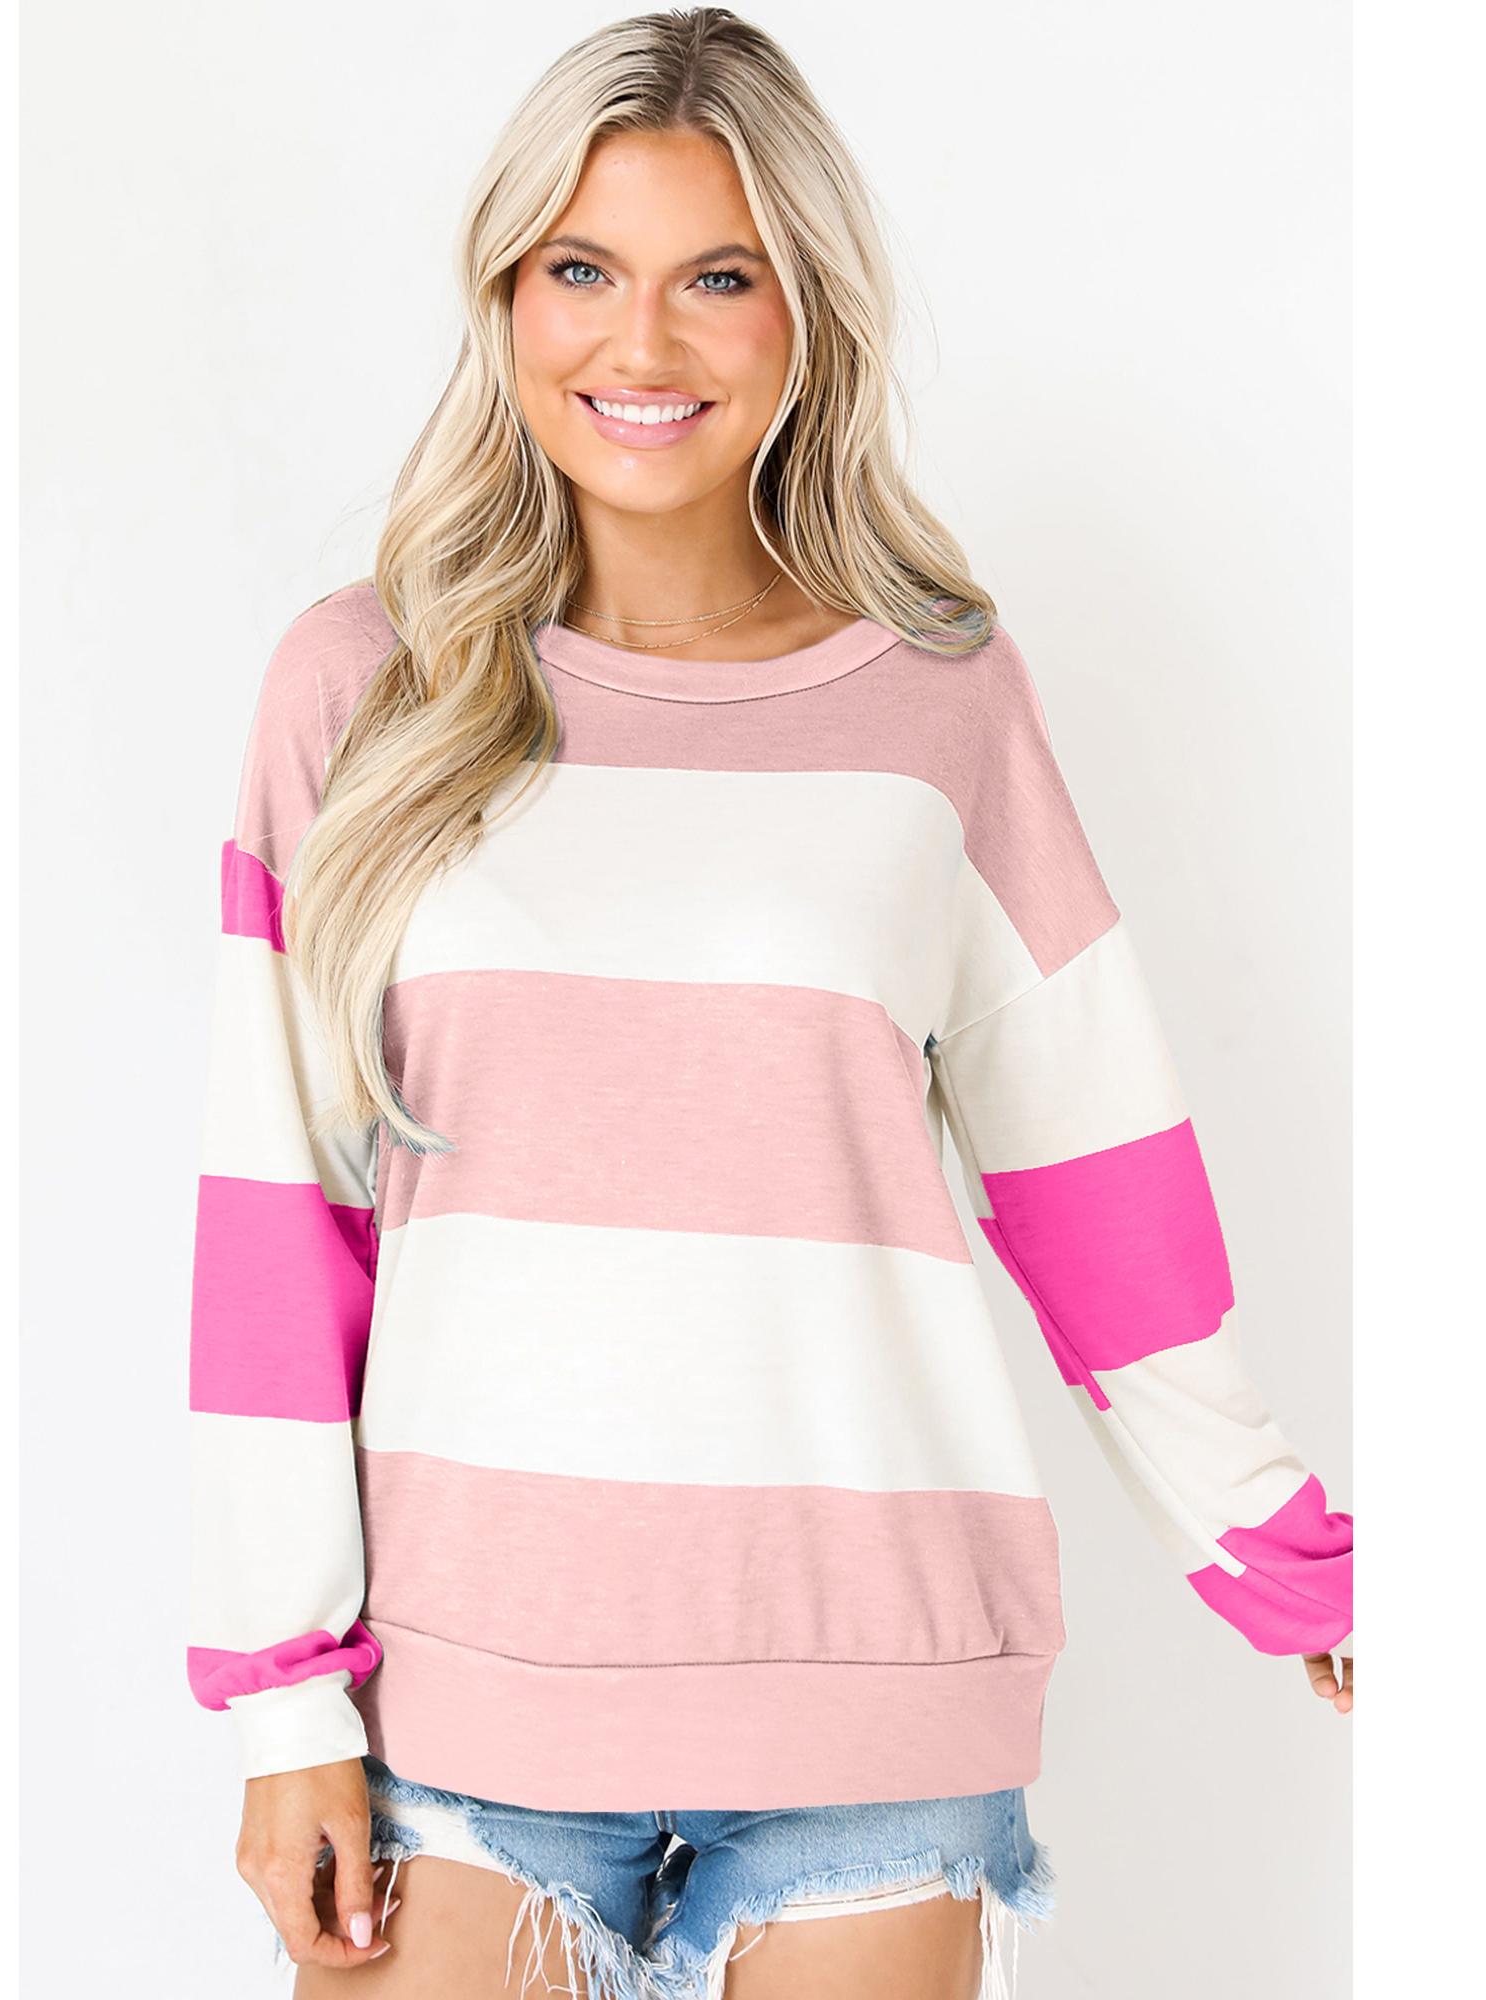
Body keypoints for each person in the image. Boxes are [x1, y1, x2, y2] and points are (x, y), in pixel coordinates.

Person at [185, 10, 1353, 1997]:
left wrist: (1289, 1558)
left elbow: (1092, 1170)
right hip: (462, 1702)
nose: (639, 343)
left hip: (871, 1683)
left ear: (805, 310)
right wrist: (282, 1695)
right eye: (581, 268)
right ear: (504, 293)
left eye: (716, 278)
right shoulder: (354, 691)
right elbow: (280, 1217)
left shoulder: (938, 693)